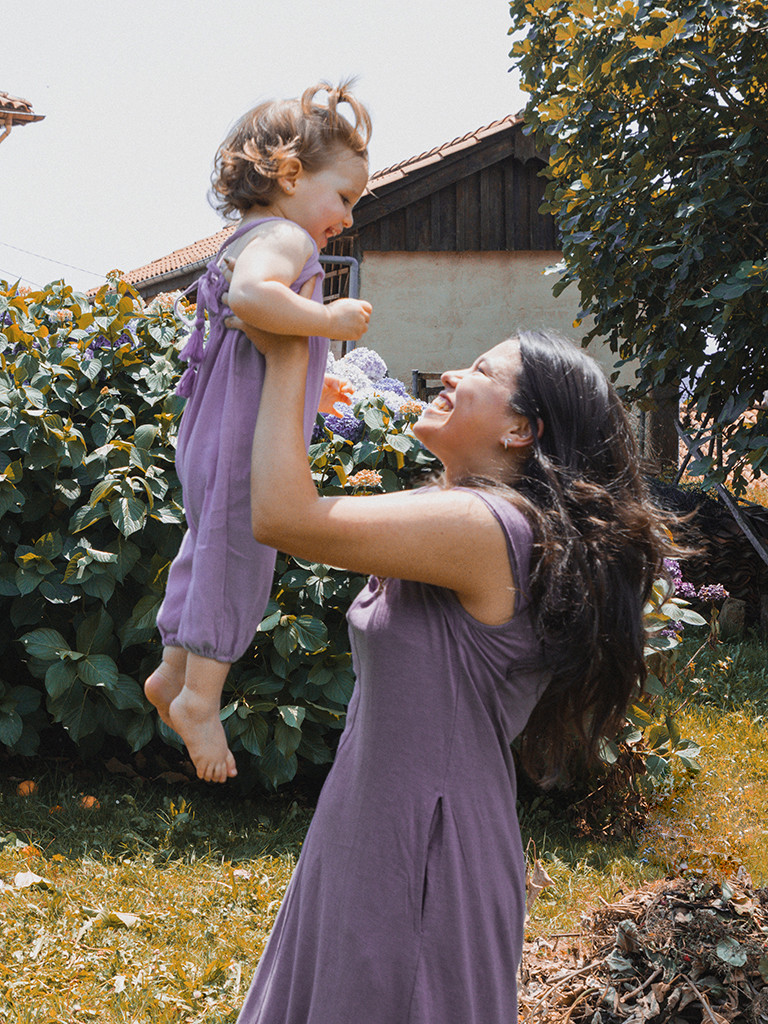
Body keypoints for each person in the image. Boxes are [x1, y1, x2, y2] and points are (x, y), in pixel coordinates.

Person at [227, 321, 673, 1023]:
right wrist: (311, 388)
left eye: (479, 372)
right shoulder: (473, 516)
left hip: (424, 844)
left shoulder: (485, 528)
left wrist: (291, 345)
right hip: (377, 818)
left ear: (521, 428)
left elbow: (283, 516)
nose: (452, 378)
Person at [144, 81, 373, 784]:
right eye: (344, 198)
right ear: (292, 175)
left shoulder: (245, 235)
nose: (348, 218)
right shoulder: (286, 236)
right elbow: (253, 299)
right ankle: (199, 699)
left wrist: (317, 371)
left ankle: (171, 674)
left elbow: (255, 329)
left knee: (206, 548)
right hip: (242, 437)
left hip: (211, 429)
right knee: (239, 558)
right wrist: (330, 322)